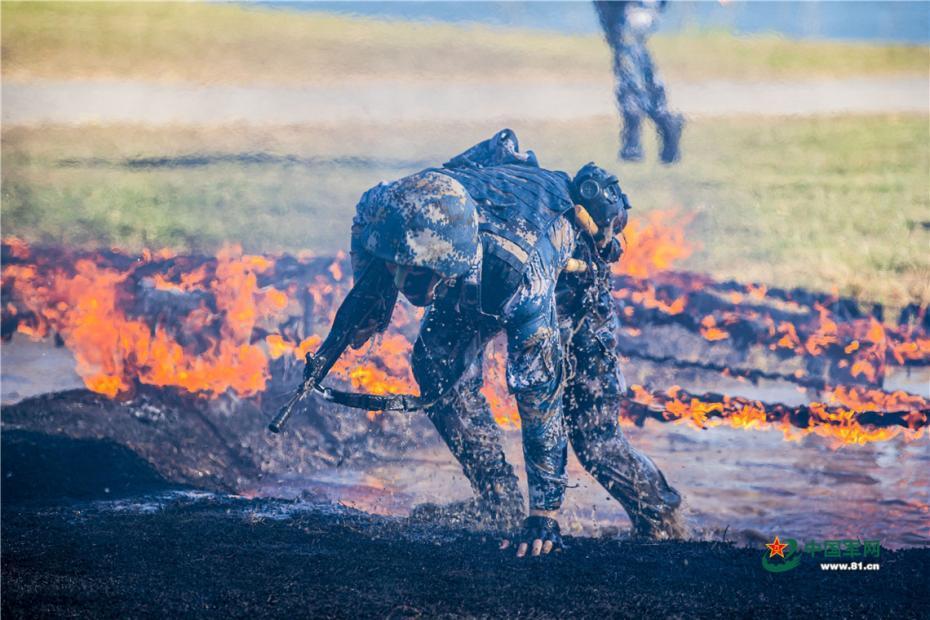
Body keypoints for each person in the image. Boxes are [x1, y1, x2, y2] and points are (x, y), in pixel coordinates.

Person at [305, 130, 684, 558]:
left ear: (446, 267)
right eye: (396, 268)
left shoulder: (519, 278)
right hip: (478, 265)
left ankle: (663, 520)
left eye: (413, 274)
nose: (401, 284)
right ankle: (499, 502)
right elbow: (365, 215)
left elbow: (540, 397)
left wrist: (545, 515)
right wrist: (370, 303)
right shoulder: (397, 207)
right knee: (434, 363)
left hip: (568, 286)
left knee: (593, 437)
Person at [594, 0, 685, 163]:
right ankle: (666, 122)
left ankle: (635, 134)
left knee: (628, 58)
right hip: (614, 8)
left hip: (637, 7)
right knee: (635, 59)